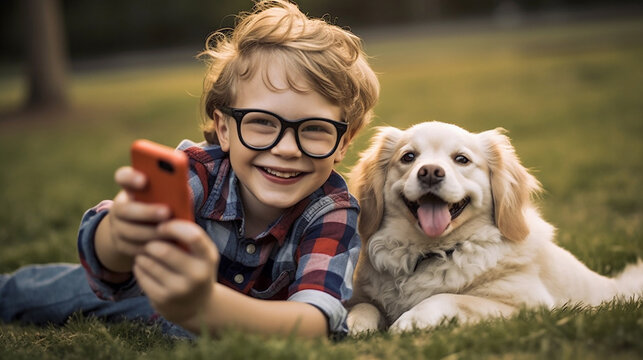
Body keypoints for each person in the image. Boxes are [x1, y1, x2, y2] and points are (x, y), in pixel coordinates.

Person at [0, 0, 379, 339]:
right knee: (38, 293)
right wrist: (119, 235)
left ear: (343, 143)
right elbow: (106, 263)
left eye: (314, 129)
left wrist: (204, 306)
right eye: (262, 122)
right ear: (225, 129)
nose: (284, 149)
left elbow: (316, 321)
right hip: (148, 297)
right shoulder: (197, 173)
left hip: (251, 323)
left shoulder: (332, 211)